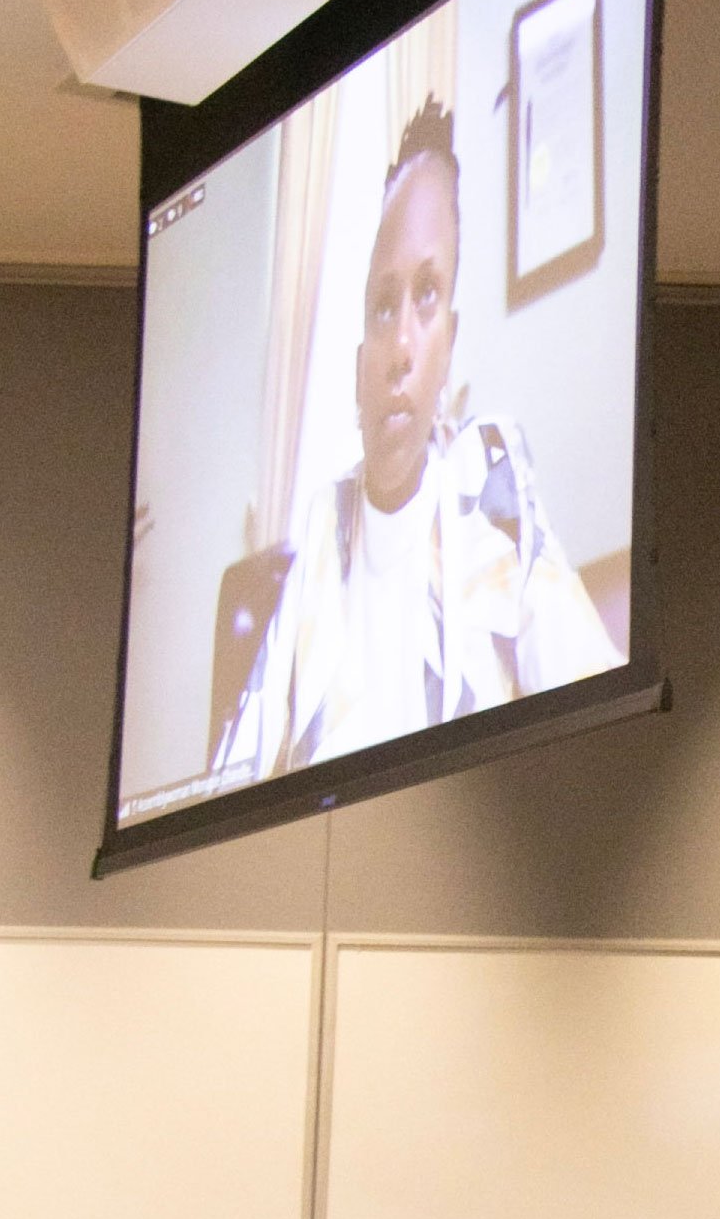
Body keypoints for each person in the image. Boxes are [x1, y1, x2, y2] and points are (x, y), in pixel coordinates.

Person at [213, 96, 620, 783]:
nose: (400, 345)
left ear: (450, 345)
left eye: (427, 296)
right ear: (357, 363)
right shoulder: (322, 523)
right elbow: (235, 774)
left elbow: (592, 693)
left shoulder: (488, 479)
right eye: (382, 305)